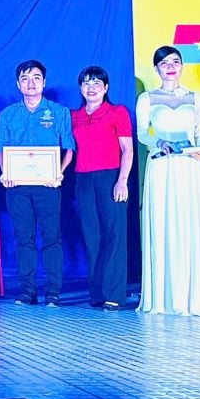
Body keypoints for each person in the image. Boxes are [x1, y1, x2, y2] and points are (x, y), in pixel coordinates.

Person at [136, 47, 200, 316]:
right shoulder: (147, 99)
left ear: (182, 65)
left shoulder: (196, 97)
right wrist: (158, 142)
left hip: (189, 167)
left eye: (175, 62)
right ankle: (164, 296)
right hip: (162, 166)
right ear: (156, 69)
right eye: (164, 63)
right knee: (163, 222)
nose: (170, 67)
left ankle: (194, 296)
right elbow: (142, 133)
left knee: (189, 222)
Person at [0, 60, 74, 306]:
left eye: (36, 78)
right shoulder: (8, 114)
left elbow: (69, 148)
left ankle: (53, 291)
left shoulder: (59, 112)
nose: (31, 83)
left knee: (52, 237)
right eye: (25, 79)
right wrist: (5, 171)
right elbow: (0, 148)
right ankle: (28, 290)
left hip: (49, 185)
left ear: (44, 82)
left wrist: (59, 172)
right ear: (18, 84)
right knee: (23, 238)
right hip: (17, 186)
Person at [71, 66, 135, 310]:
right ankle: (97, 292)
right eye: (86, 83)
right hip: (83, 180)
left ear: (106, 88)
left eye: (97, 83)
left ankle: (114, 294)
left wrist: (122, 180)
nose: (92, 87)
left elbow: (127, 149)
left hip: (111, 177)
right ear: (80, 88)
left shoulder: (117, 112)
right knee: (92, 235)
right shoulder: (74, 116)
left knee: (114, 235)